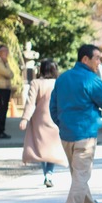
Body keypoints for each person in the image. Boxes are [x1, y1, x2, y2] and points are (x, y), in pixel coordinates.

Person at [49, 44, 102, 203]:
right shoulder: (91, 79)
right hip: (85, 134)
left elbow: (53, 107)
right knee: (81, 176)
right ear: (85, 59)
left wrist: (62, 124)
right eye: (97, 58)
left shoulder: (63, 78)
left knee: (78, 175)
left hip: (66, 135)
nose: (99, 62)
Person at [19, 60, 67, 188]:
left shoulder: (36, 83)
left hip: (39, 119)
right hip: (55, 118)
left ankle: (46, 173)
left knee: (41, 148)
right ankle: (49, 174)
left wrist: (25, 118)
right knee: (52, 148)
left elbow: (30, 102)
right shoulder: (59, 83)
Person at [0, 44, 15, 139]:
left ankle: (2, 130)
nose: (6, 53)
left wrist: (7, 63)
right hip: (1, 89)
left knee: (4, 110)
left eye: (7, 51)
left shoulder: (4, 63)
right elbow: (8, 74)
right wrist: (6, 64)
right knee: (1, 110)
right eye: (4, 51)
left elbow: (12, 74)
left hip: (5, 89)